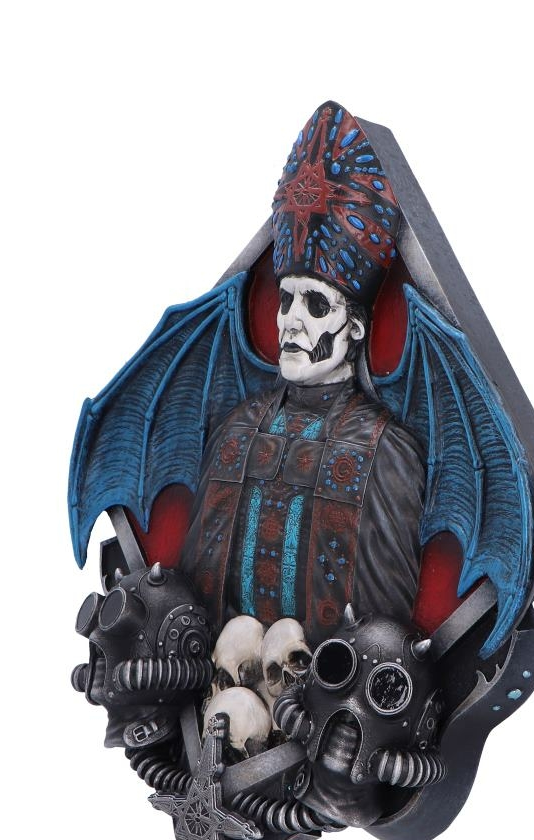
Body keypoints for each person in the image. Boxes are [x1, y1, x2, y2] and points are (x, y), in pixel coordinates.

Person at [180, 101, 425, 648]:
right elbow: (193, 593)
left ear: (355, 328)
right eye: (286, 299)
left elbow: (384, 635)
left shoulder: (386, 451)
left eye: (315, 305)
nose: (290, 320)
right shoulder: (236, 431)